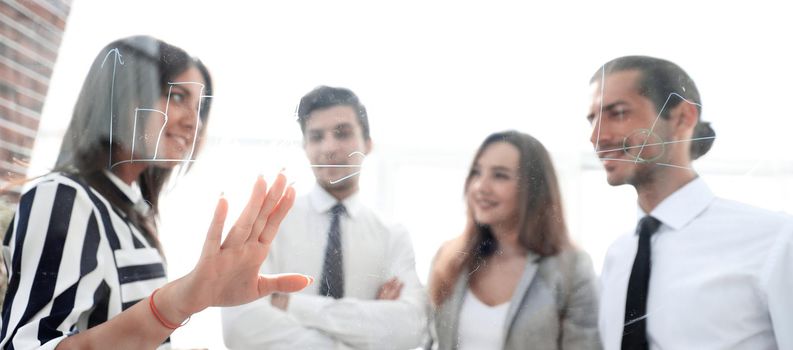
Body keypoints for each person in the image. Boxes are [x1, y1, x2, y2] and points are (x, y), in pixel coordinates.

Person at [0, 36, 311, 350]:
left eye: (199, 107)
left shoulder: (132, 213)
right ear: (122, 97)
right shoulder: (64, 198)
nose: (194, 122)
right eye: (177, 97)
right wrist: (177, 302)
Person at [589, 55, 793, 349]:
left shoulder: (776, 240)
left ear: (684, 117)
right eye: (592, 118)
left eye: (618, 113)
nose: (597, 136)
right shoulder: (617, 256)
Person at [221, 86, 427, 349]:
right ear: (305, 147)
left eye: (343, 133)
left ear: (368, 144)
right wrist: (365, 328)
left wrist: (290, 304)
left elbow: (409, 329)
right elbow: (240, 325)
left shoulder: (392, 235)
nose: (329, 147)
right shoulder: (270, 223)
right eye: (317, 137)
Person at [426, 130, 600, 350]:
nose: (481, 187)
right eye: (476, 172)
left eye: (500, 175)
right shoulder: (450, 257)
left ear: (533, 189)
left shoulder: (572, 268)